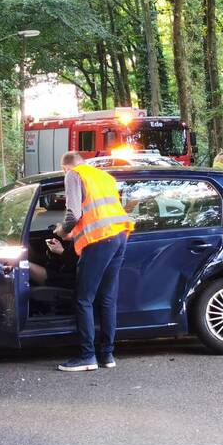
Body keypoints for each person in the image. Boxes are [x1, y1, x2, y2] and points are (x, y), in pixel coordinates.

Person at [52, 152, 134, 372]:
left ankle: (87, 356)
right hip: (119, 236)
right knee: (107, 299)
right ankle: (107, 355)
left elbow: (74, 214)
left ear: (65, 167)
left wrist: (61, 231)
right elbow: (99, 212)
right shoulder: (103, 176)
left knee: (83, 299)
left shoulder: (74, 175)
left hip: (99, 240)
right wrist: (74, 234)